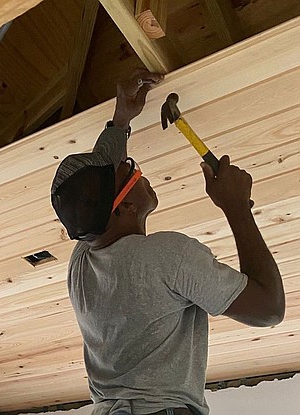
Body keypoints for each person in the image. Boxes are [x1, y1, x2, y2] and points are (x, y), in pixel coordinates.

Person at [50, 71, 285, 415]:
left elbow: (96, 190)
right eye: (129, 167)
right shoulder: (165, 258)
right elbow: (268, 309)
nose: (135, 167)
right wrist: (237, 208)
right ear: (127, 206)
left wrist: (121, 119)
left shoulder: (82, 260)